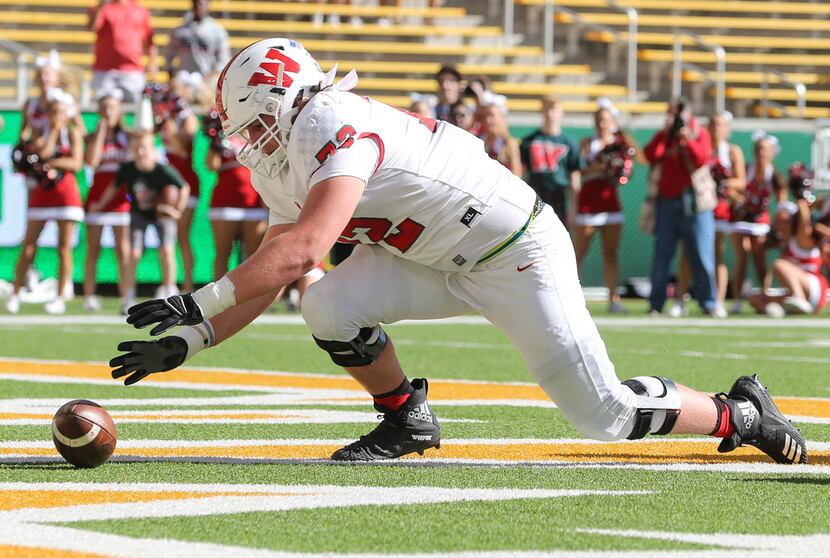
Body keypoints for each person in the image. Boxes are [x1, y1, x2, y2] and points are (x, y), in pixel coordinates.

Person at [108, 38, 807, 468]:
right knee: (326, 304)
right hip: (439, 260)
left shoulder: (332, 118)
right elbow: (279, 264)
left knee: (604, 415)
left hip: (515, 251)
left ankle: (739, 413)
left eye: (253, 119)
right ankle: (405, 418)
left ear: (285, 97)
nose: (247, 138)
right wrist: (193, 340)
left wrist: (196, 300)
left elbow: (307, 247)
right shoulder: (283, 155)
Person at [90, 130, 190, 309]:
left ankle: (169, 289)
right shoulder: (128, 168)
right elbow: (114, 187)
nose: (140, 152)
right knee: (133, 254)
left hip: (162, 213)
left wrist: (177, 210)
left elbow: (184, 187)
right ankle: (128, 296)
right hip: (139, 214)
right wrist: (100, 204)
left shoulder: (163, 170)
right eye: (137, 148)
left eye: (144, 148)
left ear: (153, 150)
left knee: (166, 250)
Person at [6, 96, 85, 315]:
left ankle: (60, 296)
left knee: (63, 247)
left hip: (66, 195)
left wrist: (50, 163)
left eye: (61, 113)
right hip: (42, 195)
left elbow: (76, 163)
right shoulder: (41, 135)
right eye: (54, 113)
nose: (58, 117)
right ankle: (15, 293)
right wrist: (53, 134)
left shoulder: (73, 134)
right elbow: (40, 153)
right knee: (29, 245)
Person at [644, 98, 718, 317]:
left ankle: (709, 302)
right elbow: (650, 156)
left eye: (676, 115)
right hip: (666, 201)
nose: (673, 119)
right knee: (662, 255)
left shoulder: (699, 132)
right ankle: (656, 304)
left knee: (702, 254)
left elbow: (701, 159)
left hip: (695, 201)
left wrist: (686, 138)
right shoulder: (664, 136)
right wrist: (664, 134)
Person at [669, 111, 746, 319]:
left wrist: (723, 183)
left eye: (720, 125)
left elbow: (741, 181)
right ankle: (680, 299)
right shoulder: (700, 144)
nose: (716, 128)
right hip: (698, 205)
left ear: (727, 129)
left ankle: (717, 301)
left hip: (719, 209)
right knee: (688, 251)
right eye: (712, 123)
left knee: (716, 254)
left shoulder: (731, 151)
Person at [572, 100, 640, 313]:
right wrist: (600, 167)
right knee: (577, 255)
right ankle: (571, 299)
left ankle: (614, 300)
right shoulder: (587, 142)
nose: (603, 124)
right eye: (600, 120)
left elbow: (637, 165)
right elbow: (577, 171)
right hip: (587, 204)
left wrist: (619, 166)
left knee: (610, 255)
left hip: (610, 204)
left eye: (607, 120)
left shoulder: (621, 143)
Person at [748, 166, 826, 317]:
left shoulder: (801, 237)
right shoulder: (782, 242)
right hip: (799, 290)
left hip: (814, 288)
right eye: (778, 221)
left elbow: (804, 220)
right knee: (755, 298)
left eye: (784, 221)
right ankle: (781, 311)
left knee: (779, 264)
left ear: (792, 222)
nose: (780, 225)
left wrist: (801, 197)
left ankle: (799, 299)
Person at [149, 80, 200, 293]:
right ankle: (169, 284)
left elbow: (180, 150)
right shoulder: (162, 118)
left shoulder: (186, 118)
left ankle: (187, 285)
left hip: (185, 182)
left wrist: (168, 121)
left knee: (182, 235)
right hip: (168, 183)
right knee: (167, 235)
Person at [82, 90, 132, 312]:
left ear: (119, 111)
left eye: (113, 107)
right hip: (96, 199)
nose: (108, 112)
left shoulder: (127, 136)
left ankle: (126, 297)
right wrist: (101, 132)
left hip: (121, 199)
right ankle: (89, 296)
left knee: (123, 249)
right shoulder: (94, 137)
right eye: (104, 108)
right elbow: (91, 161)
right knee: (93, 248)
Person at [204, 110, 267, 279]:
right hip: (225, 202)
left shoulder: (259, 134)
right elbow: (211, 165)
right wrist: (214, 142)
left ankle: (251, 302)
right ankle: (217, 302)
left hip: (254, 203)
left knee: (255, 255)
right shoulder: (223, 136)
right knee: (223, 253)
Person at [730, 131, 787, 314]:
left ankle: (764, 298)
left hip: (761, 222)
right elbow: (733, 189)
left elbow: (781, 203)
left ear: (771, 153)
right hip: (741, 220)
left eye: (765, 150)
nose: (761, 153)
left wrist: (777, 227)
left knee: (760, 260)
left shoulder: (775, 176)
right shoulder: (747, 170)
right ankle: (737, 300)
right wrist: (739, 199)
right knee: (741, 257)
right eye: (759, 149)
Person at [519, 96, 581, 227]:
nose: (550, 114)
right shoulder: (529, 141)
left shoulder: (568, 142)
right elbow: (521, 174)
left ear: (562, 113)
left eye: (554, 109)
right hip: (535, 197)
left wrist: (574, 209)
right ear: (541, 112)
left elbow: (575, 177)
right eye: (547, 109)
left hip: (559, 197)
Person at [88, 0, 157, 103]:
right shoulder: (104, 8)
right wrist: (100, 7)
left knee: (135, 107)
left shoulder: (141, 11)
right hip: (105, 70)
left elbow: (149, 40)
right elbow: (93, 27)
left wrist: (152, 62)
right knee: (105, 106)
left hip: (132, 69)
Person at [165, 0, 230, 86]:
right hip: (184, 80)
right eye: (196, 3)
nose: (198, 7)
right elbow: (170, 53)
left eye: (201, 4)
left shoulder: (217, 31)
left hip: (206, 81)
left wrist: (211, 76)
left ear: (208, 5)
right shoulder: (181, 30)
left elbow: (223, 60)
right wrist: (171, 73)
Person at [477, 104, 522, 176]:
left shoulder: (509, 144)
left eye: (492, 116)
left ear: (502, 118)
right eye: (485, 117)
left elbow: (517, 174)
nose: (488, 120)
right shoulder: (478, 141)